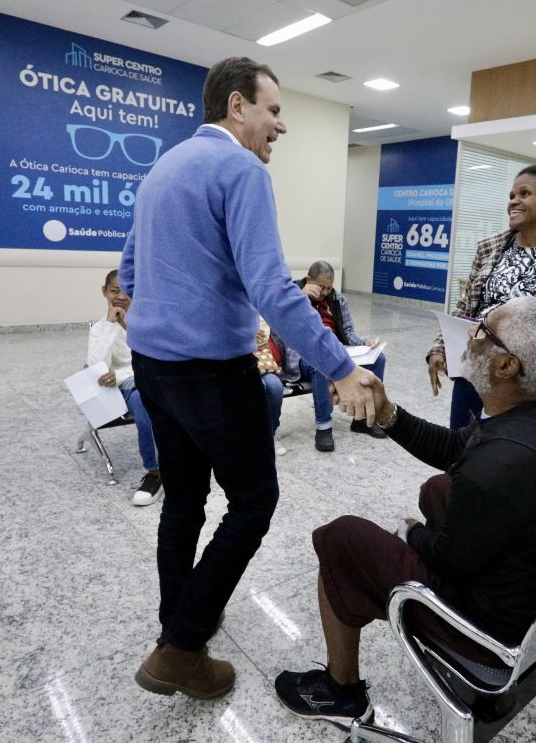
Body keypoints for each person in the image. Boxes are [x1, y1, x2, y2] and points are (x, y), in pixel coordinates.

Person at [120, 57, 377, 701]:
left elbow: (128, 273)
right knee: (254, 501)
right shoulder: (240, 169)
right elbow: (272, 288)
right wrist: (340, 365)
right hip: (211, 372)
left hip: (155, 367)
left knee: (183, 499)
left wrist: (167, 309)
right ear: (238, 107)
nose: (280, 127)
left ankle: (174, 623)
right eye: (274, 110)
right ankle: (181, 647)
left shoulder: (163, 168)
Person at [274, 297, 536, 726]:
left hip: (491, 633)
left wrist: (410, 533)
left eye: (483, 331)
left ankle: (341, 694)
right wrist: (387, 413)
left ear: (506, 366)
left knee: (342, 537)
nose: (469, 333)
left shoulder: (500, 466)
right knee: (439, 487)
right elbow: (458, 448)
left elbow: (452, 556)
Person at [427, 164, 536, 428]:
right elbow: (466, 308)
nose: (514, 201)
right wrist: (440, 347)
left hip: (527, 384)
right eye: (512, 195)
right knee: (463, 451)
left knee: (509, 459)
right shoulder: (490, 248)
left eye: (524, 194)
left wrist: (520, 339)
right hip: (474, 373)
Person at [293, 261, 388, 451]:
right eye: (321, 287)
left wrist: (364, 342)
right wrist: (299, 299)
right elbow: (286, 331)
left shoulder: (336, 299)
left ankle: (362, 419)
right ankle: (324, 426)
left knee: (378, 359)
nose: (326, 292)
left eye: (329, 287)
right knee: (321, 364)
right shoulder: (292, 295)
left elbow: (348, 332)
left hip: (336, 350)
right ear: (310, 280)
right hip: (303, 357)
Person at [87, 269, 161, 506]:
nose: (120, 296)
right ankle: (155, 473)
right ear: (104, 292)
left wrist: (118, 375)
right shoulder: (99, 329)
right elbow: (96, 369)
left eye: (127, 290)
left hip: (146, 380)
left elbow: (155, 360)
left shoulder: (146, 323)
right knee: (143, 402)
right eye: (114, 291)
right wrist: (111, 324)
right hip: (125, 390)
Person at [254, 325, 287, 457]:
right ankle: (253, 435)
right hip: (237, 365)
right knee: (257, 386)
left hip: (263, 363)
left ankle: (270, 433)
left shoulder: (257, 311)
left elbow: (263, 336)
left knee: (275, 386)